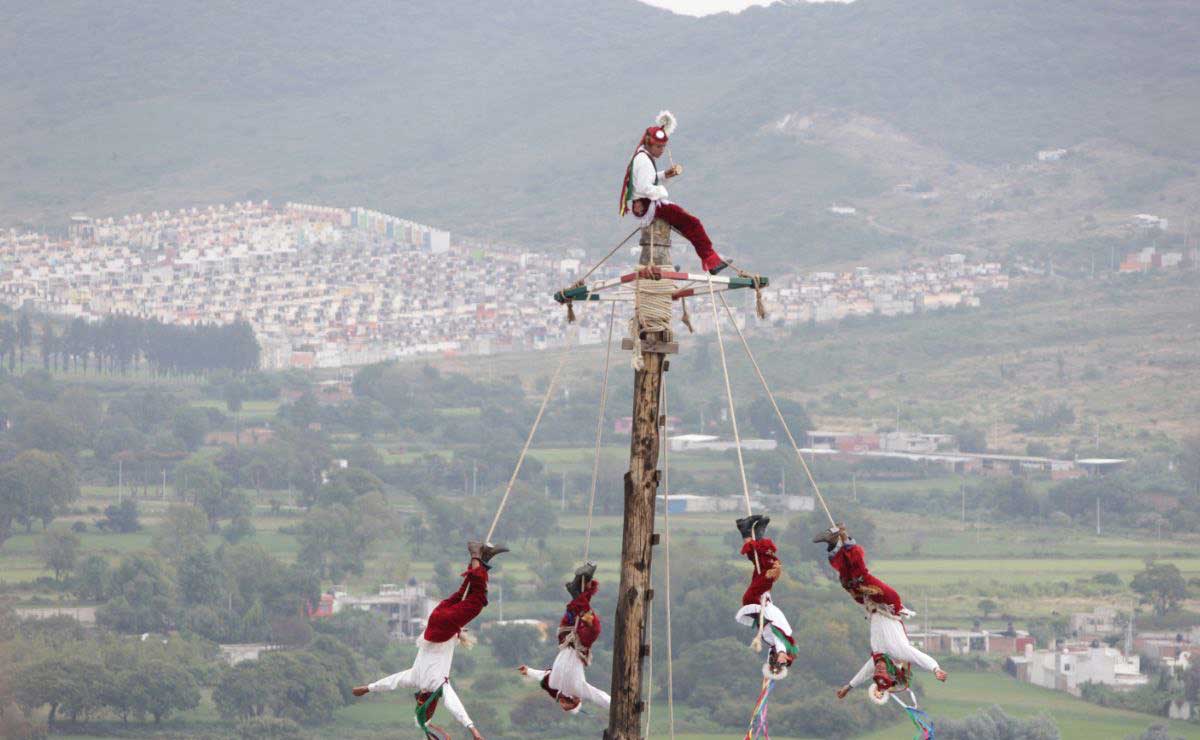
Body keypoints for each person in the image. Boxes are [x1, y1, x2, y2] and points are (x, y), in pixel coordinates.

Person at [352, 541, 508, 739]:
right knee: (464, 593)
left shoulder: (438, 686)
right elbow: (391, 682)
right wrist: (366, 689)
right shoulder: (414, 677)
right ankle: (482, 559)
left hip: (443, 627)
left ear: (430, 702)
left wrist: (473, 730)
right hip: (436, 619)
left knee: (476, 601)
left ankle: (476, 554)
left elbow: (455, 706)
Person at [813, 524, 947, 699]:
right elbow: (921, 658)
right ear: (892, 669)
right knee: (861, 577)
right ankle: (845, 537)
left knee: (848, 582)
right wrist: (936, 669)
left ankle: (832, 545)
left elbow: (862, 675)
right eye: (882, 670)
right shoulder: (899, 652)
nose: (878, 668)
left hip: (871, 604)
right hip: (889, 604)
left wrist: (847, 687)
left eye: (877, 671)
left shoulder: (877, 656)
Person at [619, 110, 730, 275]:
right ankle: (711, 260)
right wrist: (662, 191)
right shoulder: (643, 160)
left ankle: (707, 259)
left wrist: (665, 175)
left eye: (663, 146)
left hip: (647, 205)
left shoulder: (643, 156)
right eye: (658, 146)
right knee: (693, 224)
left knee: (688, 225)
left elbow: (648, 180)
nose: (661, 150)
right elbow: (644, 187)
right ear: (649, 144)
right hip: (651, 206)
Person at [518, 562, 611, 713]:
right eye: (569, 705)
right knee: (587, 620)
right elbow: (600, 697)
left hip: (567, 637)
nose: (564, 705)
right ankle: (579, 589)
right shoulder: (578, 689)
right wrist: (618, 706)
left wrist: (528, 671)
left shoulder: (553, 684)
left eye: (565, 706)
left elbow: (542, 675)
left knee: (583, 616)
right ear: (576, 701)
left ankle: (578, 591)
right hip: (576, 641)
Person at [733, 514, 798, 677]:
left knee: (771, 567)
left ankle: (749, 531)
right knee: (760, 564)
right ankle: (749, 531)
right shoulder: (782, 639)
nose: (784, 657)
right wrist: (783, 655)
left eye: (781, 659)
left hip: (754, 600)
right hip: (762, 597)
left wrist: (781, 654)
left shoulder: (776, 640)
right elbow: (783, 646)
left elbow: (780, 645)